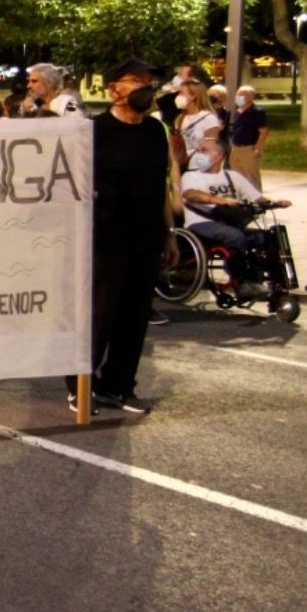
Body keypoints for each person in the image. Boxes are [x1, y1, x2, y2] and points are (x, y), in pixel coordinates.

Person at [77, 58, 177, 416]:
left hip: (146, 238)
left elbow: (160, 186)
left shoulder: (154, 131)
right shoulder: (93, 132)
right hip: (106, 240)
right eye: (137, 80)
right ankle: (80, 385)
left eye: (149, 81)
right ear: (113, 89)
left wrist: (169, 235)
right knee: (100, 316)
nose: (146, 87)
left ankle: (118, 385)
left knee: (134, 320)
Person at [180, 136, 290, 291]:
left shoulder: (232, 177)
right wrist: (220, 200)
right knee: (235, 236)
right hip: (200, 223)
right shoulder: (191, 176)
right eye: (198, 150)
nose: (198, 153)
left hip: (228, 222)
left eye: (203, 150)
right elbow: (190, 195)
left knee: (264, 237)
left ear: (219, 155)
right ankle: (241, 281)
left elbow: (256, 197)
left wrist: (274, 203)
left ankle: (263, 280)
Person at [171, 76, 221, 169]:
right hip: (182, 165)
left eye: (182, 93)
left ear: (193, 96)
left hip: (200, 167)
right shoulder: (179, 118)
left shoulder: (208, 118)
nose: (178, 96)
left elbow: (211, 146)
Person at [228, 85, 269, 188]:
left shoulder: (257, 112)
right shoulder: (238, 111)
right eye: (238, 94)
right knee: (237, 175)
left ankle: (256, 198)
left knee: (251, 175)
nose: (238, 96)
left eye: (242, 94)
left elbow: (264, 130)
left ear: (250, 96)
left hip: (249, 147)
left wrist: (258, 148)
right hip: (236, 148)